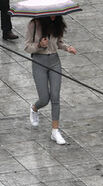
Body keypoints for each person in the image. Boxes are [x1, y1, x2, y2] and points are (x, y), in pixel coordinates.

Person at [24, 15, 77, 145]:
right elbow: (27, 47)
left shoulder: (57, 23)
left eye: (55, 15)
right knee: (44, 99)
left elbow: (58, 42)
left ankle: (55, 131)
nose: (53, 17)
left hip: (54, 61)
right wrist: (39, 45)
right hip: (39, 61)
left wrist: (67, 47)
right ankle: (34, 108)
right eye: (50, 15)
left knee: (55, 97)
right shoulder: (34, 24)